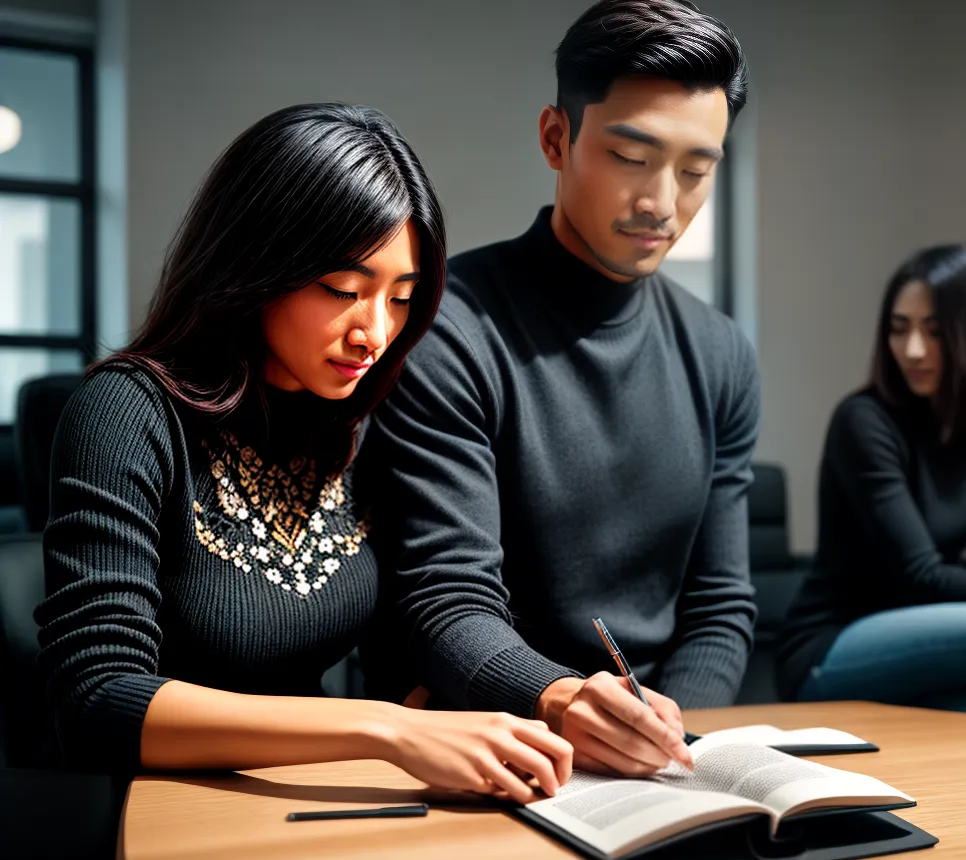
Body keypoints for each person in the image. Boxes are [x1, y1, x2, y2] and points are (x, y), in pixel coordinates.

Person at [34, 103, 571, 804]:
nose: (373, 333)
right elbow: (99, 697)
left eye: (402, 299)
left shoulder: (357, 423)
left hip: (305, 800)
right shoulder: (127, 413)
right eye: (345, 291)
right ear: (258, 262)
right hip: (154, 814)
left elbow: (422, 616)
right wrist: (382, 730)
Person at [361, 0, 758, 777]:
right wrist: (563, 697)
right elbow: (446, 604)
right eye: (632, 157)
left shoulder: (720, 353)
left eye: (696, 170)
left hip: (656, 762)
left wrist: (670, 744)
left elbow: (721, 607)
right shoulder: (448, 329)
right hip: (481, 746)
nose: (662, 204)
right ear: (556, 137)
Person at [777, 245, 966, 716]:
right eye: (899, 328)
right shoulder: (864, 422)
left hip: (939, 644)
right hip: (831, 647)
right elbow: (921, 579)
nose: (912, 349)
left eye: (935, 332)